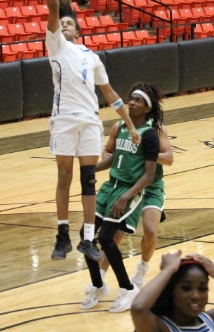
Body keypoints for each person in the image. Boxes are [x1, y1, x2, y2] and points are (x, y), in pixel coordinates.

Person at [37, 0, 140, 263]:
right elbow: (52, 5)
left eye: (69, 24)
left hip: (91, 121)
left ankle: (87, 238)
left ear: (78, 30)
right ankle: (62, 235)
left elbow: (111, 95)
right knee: (64, 177)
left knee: (88, 179)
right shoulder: (56, 46)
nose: (64, 26)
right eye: (62, 24)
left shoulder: (91, 57)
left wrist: (131, 126)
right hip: (64, 119)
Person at [81, 84, 162, 313]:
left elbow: (149, 175)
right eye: (131, 99)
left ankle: (127, 289)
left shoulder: (149, 135)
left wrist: (126, 197)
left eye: (137, 100)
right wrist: (90, 169)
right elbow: (113, 159)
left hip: (128, 190)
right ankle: (98, 285)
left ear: (147, 108)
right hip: (110, 187)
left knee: (106, 238)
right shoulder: (122, 128)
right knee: (86, 235)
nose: (131, 103)